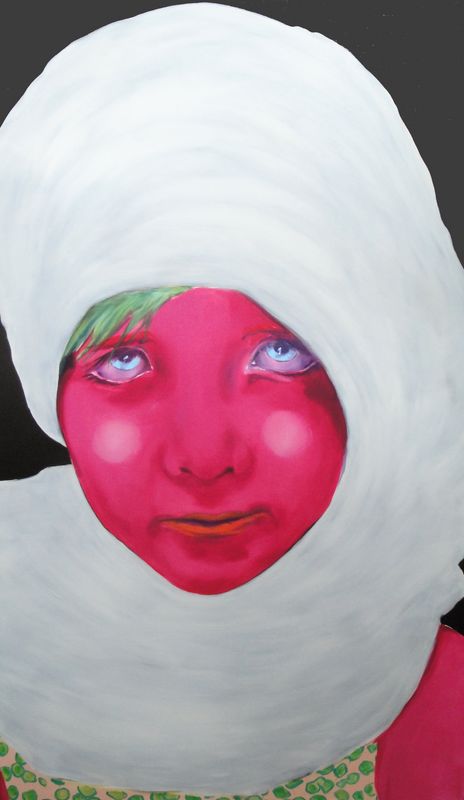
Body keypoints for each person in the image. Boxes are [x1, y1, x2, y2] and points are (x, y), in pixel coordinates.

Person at [0, 4, 463, 799]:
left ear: (385, 373)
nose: (204, 457)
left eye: (282, 354)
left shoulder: (441, 705)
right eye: (123, 361)